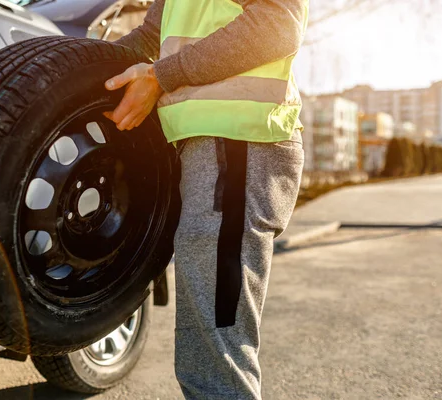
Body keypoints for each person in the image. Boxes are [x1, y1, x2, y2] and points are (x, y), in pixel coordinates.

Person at [104, 1, 309, 398]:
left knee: (217, 354)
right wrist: (69, 66)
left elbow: (278, 23)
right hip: (204, 147)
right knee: (207, 344)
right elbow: (150, 38)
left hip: (239, 143)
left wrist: (161, 76)